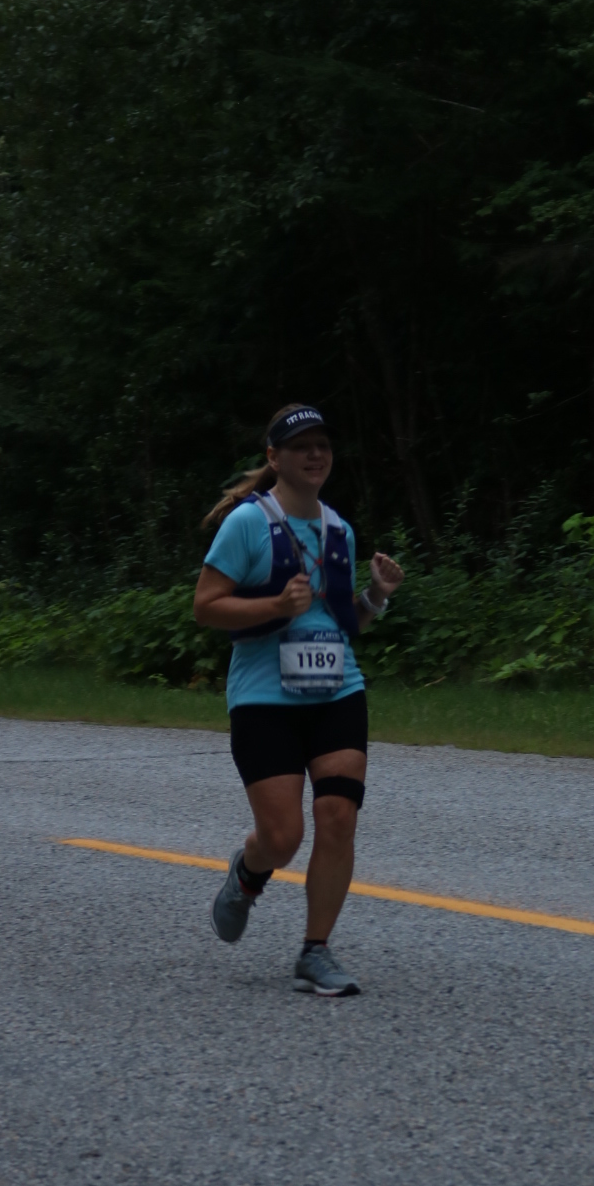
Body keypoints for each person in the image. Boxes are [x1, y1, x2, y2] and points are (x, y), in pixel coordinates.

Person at [193, 404, 405, 995]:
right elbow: (206, 606)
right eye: (301, 446)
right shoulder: (247, 524)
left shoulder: (339, 531)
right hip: (264, 699)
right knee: (282, 838)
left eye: (323, 446)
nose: (315, 455)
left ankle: (316, 951)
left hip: (338, 691)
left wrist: (377, 595)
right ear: (274, 457)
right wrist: (274, 606)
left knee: (337, 816)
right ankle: (248, 873)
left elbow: (343, 622)